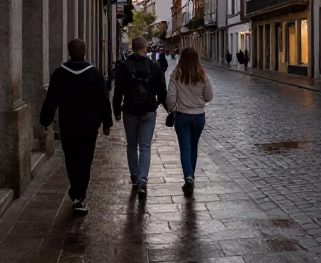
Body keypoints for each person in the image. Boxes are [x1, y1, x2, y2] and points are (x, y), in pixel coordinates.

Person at [39, 39, 112, 216]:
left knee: (71, 159)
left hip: (68, 125)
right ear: (85, 51)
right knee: (85, 160)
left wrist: (45, 119)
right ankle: (79, 195)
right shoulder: (94, 74)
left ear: (69, 52)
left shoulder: (59, 74)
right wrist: (107, 122)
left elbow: (51, 99)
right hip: (89, 126)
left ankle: (77, 193)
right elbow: (103, 100)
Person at [113, 37, 168, 197]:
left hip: (129, 110)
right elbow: (162, 91)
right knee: (145, 146)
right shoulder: (154, 66)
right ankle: (143, 182)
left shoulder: (123, 67)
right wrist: (168, 109)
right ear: (145, 48)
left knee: (131, 145)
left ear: (132, 47)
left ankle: (135, 177)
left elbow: (118, 91)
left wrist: (116, 110)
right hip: (149, 110)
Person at [167, 48, 214, 195]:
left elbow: (170, 99)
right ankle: (191, 177)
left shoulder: (176, 75)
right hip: (199, 116)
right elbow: (209, 96)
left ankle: (188, 177)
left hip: (182, 115)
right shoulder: (202, 75)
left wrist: (172, 108)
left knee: (185, 149)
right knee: (193, 148)